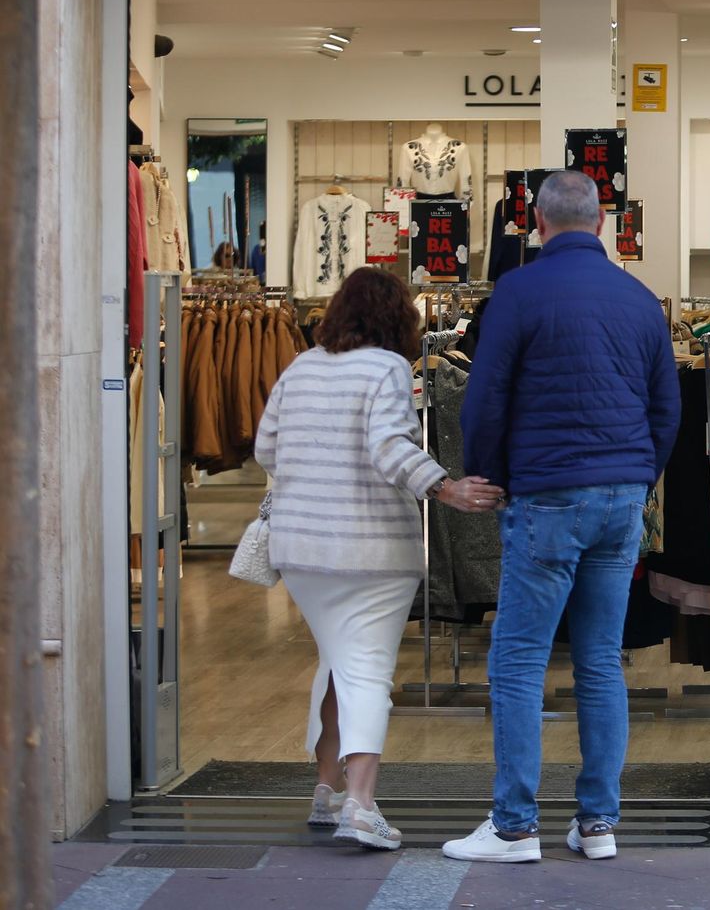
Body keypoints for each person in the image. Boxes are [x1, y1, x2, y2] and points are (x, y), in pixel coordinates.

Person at [444, 170, 680, 864]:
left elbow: (483, 400)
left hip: (547, 493)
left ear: (538, 225)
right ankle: (598, 823)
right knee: (601, 660)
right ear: (602, 224)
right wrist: (638, 477)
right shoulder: (640, 299)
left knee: (519, 659)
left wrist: (489, 476)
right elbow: (666, 406)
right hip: (621, 496)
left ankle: (515, 826)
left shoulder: (517, 292)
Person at [254, 267, 503, 851]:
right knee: (366, 669)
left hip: (302, 549)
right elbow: (391, 446)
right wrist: (447, 487)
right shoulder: (387, 368)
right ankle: (361, 807)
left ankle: (327, 788)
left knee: (338, 662)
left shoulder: (301, 366)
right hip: (371, 550)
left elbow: (266, 448)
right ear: (401, 319)